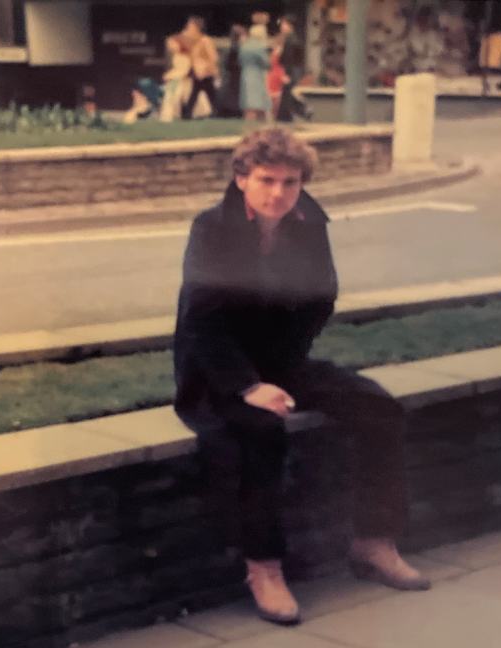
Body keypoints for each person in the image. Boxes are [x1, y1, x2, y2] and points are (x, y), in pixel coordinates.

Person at [173, 129, 431, 627]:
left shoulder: (309, 223)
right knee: (261, 432)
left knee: (380, 409)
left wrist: (288, 365)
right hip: (216, 372)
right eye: (266, 180)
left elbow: (321, 296)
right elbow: (202, 322)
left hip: (283, 362)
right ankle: (264, 567)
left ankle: (374, 542)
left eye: (290, 183)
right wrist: (249, 386)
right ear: (242, 179)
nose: (278, 193)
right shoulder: (211, 229)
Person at [275, 15, 312, 123]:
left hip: (290, 71)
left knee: (287, 95)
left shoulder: (291, 40)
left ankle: (301, 110)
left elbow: (288, 58)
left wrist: (287, 72)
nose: (282, 27)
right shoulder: (293, 39)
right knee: (287, 94)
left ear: (289, 25)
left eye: (283, 24)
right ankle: (290, 115)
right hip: (292, 71)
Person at [181, 16, 219, 120]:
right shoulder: (195, 42)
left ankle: (188, 114)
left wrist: (208, 69)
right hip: (198, 71)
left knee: (206, 93)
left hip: (205, 72)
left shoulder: (205, 40)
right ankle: (188, 114)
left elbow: (213, 57)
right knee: (199, 93)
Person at [239, 24, 271, 122]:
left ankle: (247, 125)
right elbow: (266, 63)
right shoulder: (259, 47)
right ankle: (261, 127)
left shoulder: (244, 46)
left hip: (245, 75)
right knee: (259, 104)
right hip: (257, 76)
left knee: (249, 105)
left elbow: (240, 61)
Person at [160, 35, 193, 122]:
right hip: (176, 81)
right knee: (169, 97)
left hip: (183, 83)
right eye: (170, 44)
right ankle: (168, 117)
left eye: (173, 44)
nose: (171, 46)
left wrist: (170, 76)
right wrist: (169, 75)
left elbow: (184, 71)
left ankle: (170, 116)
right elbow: (177, 69)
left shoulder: (186, 56)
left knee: (173, 97)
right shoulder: (176, 56)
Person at [216, 25, 246, 119]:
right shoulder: (236, 48)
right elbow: (231, 63)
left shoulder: (232, 47)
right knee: (234, 95)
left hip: (231, 76)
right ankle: (234, 112)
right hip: (235, 76)